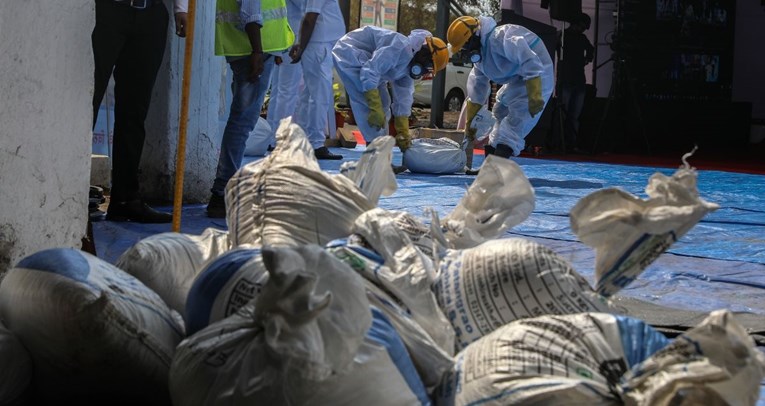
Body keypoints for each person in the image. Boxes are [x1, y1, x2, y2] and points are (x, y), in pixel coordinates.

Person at [92, 0, 188, 223]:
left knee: (135, 110)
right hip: (106, 10)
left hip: (150, 13)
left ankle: (125, 200)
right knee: (88, 103)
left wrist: (181, 8)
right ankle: (71, 195)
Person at [207, 0, 295, 218]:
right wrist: (257, 50)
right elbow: (250, 11)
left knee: (242, 120)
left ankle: (224, 190)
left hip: (254, 49)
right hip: (252, 50)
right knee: (242, 122)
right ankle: (223, 192)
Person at [447, 15, 554, 175]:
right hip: (520, 77)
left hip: (538, 74)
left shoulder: (501, 37)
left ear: (474, 37)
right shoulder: (480, 59)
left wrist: (534, 92)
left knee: (517, 119)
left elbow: (530, 60)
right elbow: (477, 89)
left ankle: (495, 170)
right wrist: (471, 121)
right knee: (499, 111)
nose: (465, 52)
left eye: (465, 46)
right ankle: (489, 167)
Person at [332, 27, 449, 153]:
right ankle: (375, 159)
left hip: (368, 63)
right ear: (425, 56)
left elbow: (404, 97)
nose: (426, 72)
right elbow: (369, 72)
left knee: (384, 103)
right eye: (429, 67)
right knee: (367, 105)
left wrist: (403, 131)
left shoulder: (408, 63)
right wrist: (374, 106)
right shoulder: (399, 48)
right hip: (349, 52)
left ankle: (381, 157)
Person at [288, 0, 346, 160]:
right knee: (319, 96)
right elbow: (309, 18)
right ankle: (316, 144)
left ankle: (304, 139)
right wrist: (301, 47)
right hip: (318, 47)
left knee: (310, 95)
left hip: (319, 46)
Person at [266, 0, 305, 142]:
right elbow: (305, 7)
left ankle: (272, 137)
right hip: (292, 38)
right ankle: (281, 139)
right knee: (287, 91)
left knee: (279, 91)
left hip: (282, 36)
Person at [556, 12, 593, 153]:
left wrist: (587, 59)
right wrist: (586, 59)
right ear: (577, 24)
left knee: (573, 116)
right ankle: (561, 143)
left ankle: (570, 144)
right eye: (583, 26)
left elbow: (591, 51)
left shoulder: (579, 37)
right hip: (566, 79)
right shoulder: (562, 36)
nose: (583, 30)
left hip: (576, 80)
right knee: (565, 115)